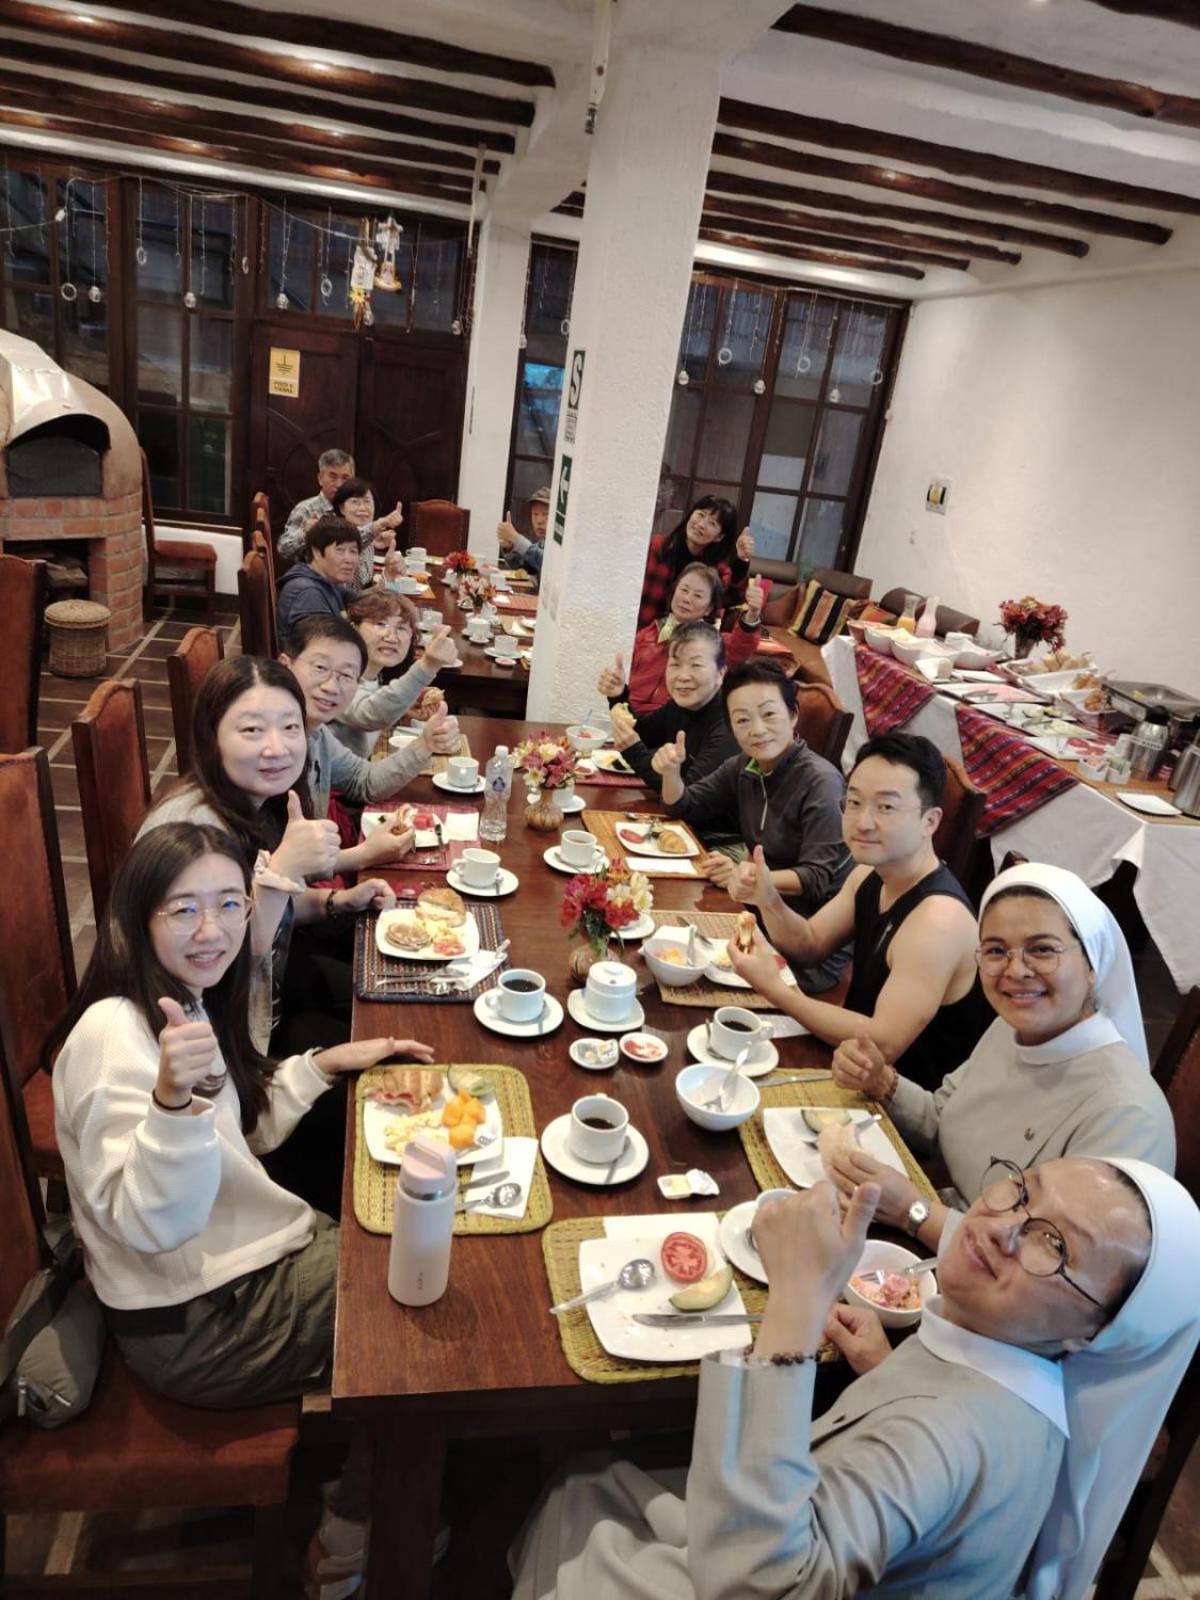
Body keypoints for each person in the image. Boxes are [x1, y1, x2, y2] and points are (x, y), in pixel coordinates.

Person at [511, 1156, 1200, 1600]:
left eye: (1056, 1244)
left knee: (580, 1499)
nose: (1003, 1228)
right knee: (590, 1480)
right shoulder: (1024, 1378)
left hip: (746, 1562)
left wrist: (798, 1296)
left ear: (1094, 1332)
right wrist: (884, 1365)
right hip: (791, 1517)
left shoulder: (945, 1436)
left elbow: (763, 1583)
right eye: (1021, 1192)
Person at [46, 822, 435, 1600]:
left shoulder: (179, 1001)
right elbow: (151, 1222)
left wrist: (322, 1064)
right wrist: (172, 1102)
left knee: (407, 1241)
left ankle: (368, 1473)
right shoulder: (112, 1038)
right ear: (135, 918)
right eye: (183, 909)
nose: (213, 930)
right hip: (192, 1321)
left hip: (231, 1266)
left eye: (230, 903)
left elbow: (235, 1128)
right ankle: (359, 1533)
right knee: (417, 1306)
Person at [826, 861, 1175, 1253]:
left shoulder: (1126, 1113)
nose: (1016, 970)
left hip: (995, 1277)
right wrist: (882, 1082)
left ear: (1093, 962)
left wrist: (915, 1211)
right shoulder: (1009, 1030)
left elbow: (1051, 1262)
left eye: (1042, 949)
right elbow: (945, 1119)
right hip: (942, 1229)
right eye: (996, 951)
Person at [138, 655, 408, 1053]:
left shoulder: (257, 803)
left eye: (290, 727)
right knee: (386, 1040)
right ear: (211, 736)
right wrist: (282, 870)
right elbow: (222, 956)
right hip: (211, 1040)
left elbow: (272, 909)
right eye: (252, 730)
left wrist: (336, 901)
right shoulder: (195, 832)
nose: (277, 748)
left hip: (266, 995)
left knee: (396, 993)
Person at [726, 732, 990, 1090]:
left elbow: (881, 1044)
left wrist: (776, 990)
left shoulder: (938, 920)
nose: (863, 822)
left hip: (898, 1103)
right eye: (853, 802)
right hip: (844, 1068)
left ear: (930, 821)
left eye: (886, 807)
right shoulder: (869, 874)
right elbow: (809, 945)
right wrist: (768, 899)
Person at [659, 659, 851, 992]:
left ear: (793, 714)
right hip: (756, 916)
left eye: (769, 714)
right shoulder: (744, 766)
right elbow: (683, 805)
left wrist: (746, 876)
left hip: (807, 946)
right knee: (665, 946)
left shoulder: (822, 783)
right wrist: (671, 772)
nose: (757, 729)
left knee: (683, 974)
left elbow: (816, 878)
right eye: (743, 720)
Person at [278, 613, 461, 829]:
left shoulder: (317, 734)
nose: (331, 686)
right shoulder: (270, 745)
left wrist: (425, 744)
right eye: (320, 668)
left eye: (347, 675)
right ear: (285, 665)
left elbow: (363, 781)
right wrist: (428, 665)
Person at [604, 562, 764, 716]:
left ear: (709, 609)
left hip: (675, 720)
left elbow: (739, 648)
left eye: (698, 595)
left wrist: (752, 615)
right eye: (684, 590)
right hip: (629, 713)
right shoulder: (647, 633)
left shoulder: (710, 642)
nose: (687, 599)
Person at [598, 620, 739, 794]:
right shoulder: (680, 706)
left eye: (696, 665)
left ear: (720, 673)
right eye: (675, 665)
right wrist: (618, 696)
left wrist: (634, 751)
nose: (683, 676)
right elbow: (644, 736)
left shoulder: (731, 725)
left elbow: (688, 794)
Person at [332, 589, 459, 759]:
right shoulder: (335, 676)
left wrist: (404, 706)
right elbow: (370, 714)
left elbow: (370, 699)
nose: (392, 637)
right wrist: (428, 666)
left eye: (401, 627)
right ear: (354, 629)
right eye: (381, 624)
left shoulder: (374, 676)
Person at [278, 452, 403, 594]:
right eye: (333, 477)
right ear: (320, 478)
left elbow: (358, 591)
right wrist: (306, 534)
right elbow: (284, 549)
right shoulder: (306, 509)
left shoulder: (361, 521)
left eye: (345, 478)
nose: (339, 484)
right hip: (315, 590)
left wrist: (374, 539)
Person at [637, 495, 755, 629]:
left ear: (719, 537)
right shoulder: (657, 546)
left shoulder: (716, 569)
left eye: (712, 523)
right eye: (700, 515)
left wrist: (741, 560)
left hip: (686, 637)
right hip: (641, 632)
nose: (701, 525)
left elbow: (732, 599)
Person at [275, 517, 361, 639]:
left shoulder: (325, 580)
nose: (349, 560)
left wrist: (388, 578)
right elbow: (324, 645)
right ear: (315, 551)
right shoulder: (308, 593)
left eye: (353, 551)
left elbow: (364, 602)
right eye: (340, 550)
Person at [330, 476, 407, 591]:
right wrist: (381, 523)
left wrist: (389, 577)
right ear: (342, 508)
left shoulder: (369, 539)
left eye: (367, 502)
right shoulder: (333, 532)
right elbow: (350, 539)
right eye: (355, 502)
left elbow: (365, 592)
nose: (362, 508)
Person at [497, 485, 550, 581]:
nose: (539, 520)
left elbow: (545, 562)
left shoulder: (559, 547)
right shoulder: (541, 543)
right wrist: (510, 546)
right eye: (535, 514)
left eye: (545, 514)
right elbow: (524, 568)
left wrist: (516, 538)